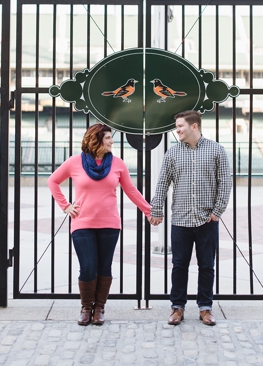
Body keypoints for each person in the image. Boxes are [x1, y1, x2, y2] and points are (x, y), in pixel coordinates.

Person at [48, 123, 152, 326]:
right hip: (82, 223)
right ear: (95, 139)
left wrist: (148, 211)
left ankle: (100, 308)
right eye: (108, 138)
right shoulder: (75, 162)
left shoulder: (118, 164)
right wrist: (66, 206)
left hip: (110, 224)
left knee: (104, 267)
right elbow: (53, 181)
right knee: (87, 267)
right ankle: (87, 307)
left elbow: (131, 191)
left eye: (111, 138)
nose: (112, 141)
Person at [149, 110, 232, 326]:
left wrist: (217, 212)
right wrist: (156, 210)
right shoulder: (172, 153)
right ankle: (177, 307)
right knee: (179, 266)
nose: (177, 130)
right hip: (181, 221)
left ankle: (205, 308)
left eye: (180, 126)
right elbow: (162, 183)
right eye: (176, 127)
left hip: (207, 220)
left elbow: (225, 182)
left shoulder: (217, 150)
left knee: (207, 266)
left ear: (194, 126)